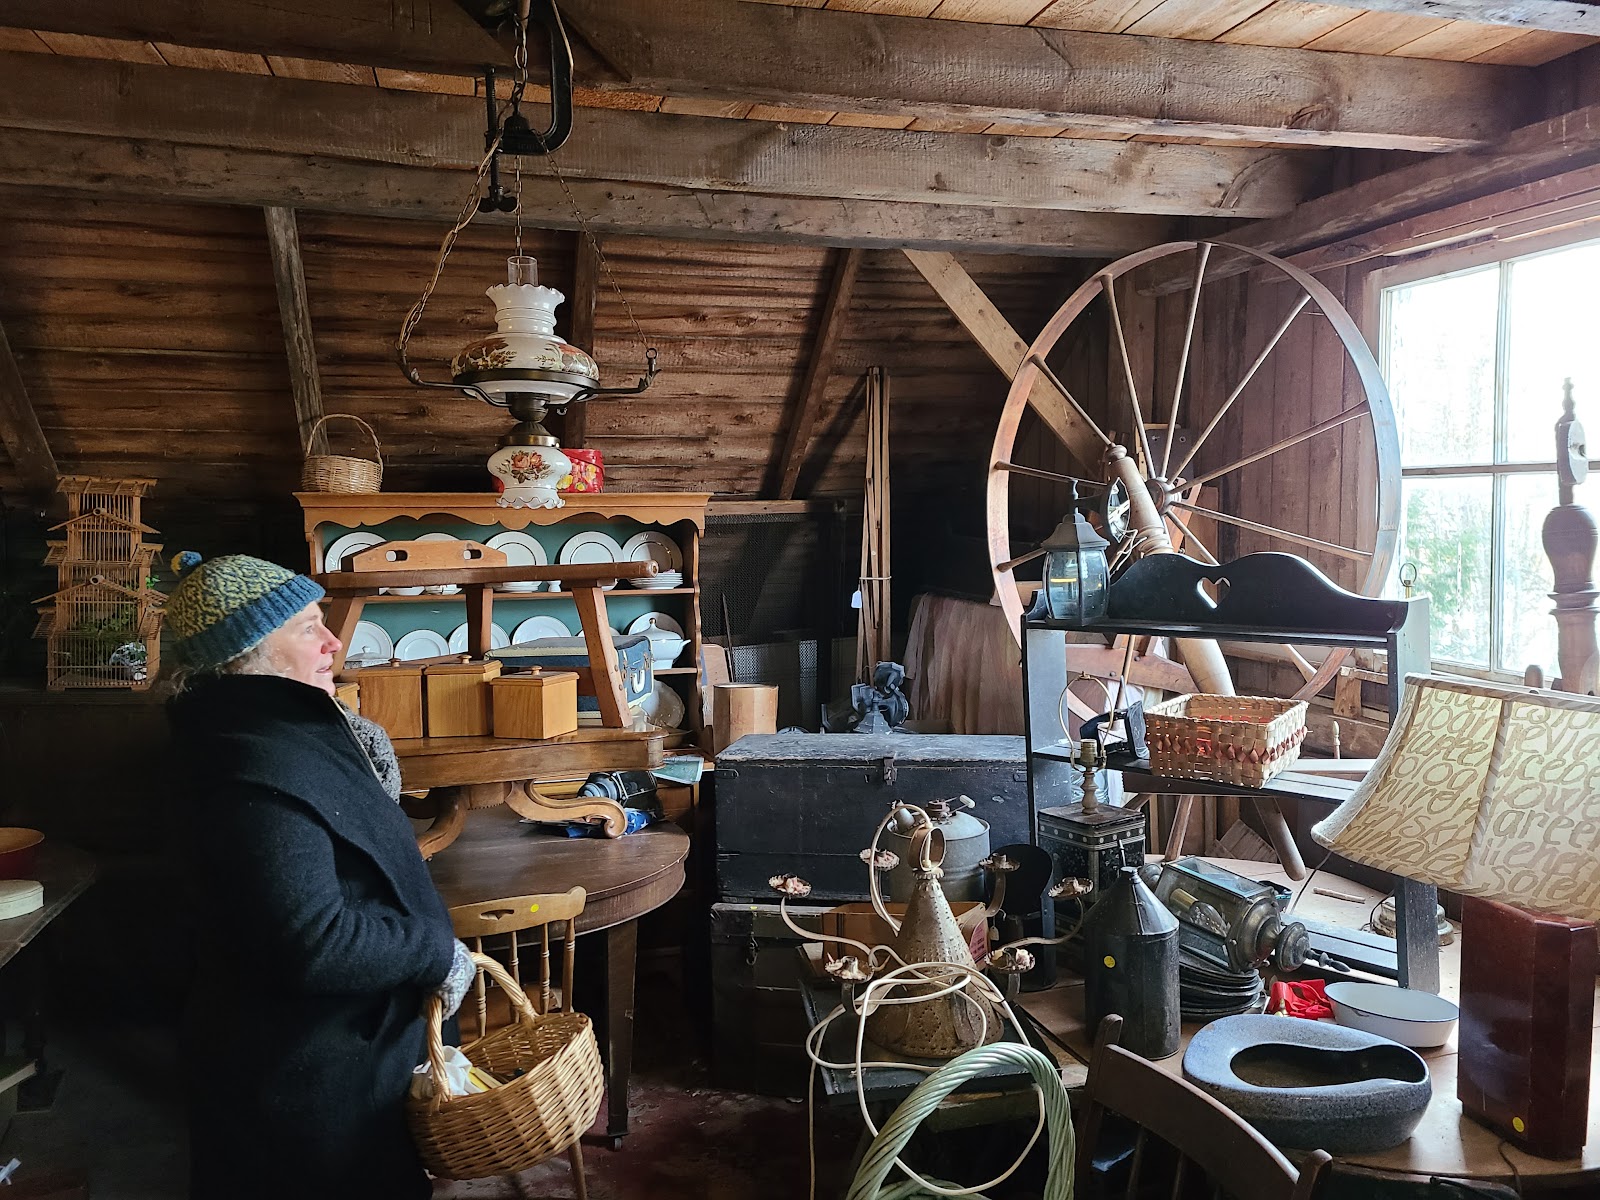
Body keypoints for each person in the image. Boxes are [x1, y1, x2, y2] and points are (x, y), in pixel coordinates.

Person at [163, 551, 474, 1200]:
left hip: (332, 1065)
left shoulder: (265, 734)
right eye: (309, 628)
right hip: (309, 1088)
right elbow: (314, 942)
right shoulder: (251, 771)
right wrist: (434, 950)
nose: (334, 642)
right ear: (247, 655)